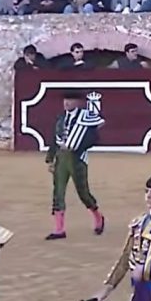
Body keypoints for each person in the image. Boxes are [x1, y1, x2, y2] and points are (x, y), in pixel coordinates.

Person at [44, 90, 106, 240]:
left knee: (83, 192)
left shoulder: (85, 117)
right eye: (65, 100)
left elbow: (94, 138)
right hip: (61, 157)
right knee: (58, 191)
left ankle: (98, 217)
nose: (66, 103)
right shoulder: (61, 118)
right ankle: (59, 229)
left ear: (78, 103)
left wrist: (78, 146)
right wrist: (50, 159)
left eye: (70, 100)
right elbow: (55, 138)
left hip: (77, 158)